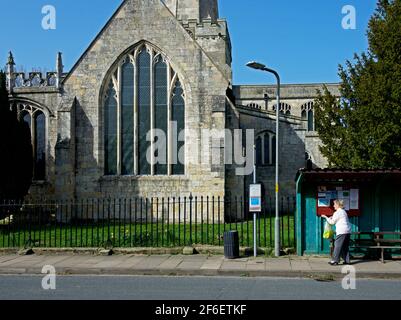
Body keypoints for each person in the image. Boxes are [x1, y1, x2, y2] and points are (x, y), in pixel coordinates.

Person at [322, 199, 352, 266]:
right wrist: (331, 217)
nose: (333, 206)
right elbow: (339, 219)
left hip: (342, 231)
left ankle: (335, 261)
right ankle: (347, 261)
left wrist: (325, 217)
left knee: (337, 246)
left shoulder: (337, 212)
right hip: (347, 231)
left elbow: (332, 222)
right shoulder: (343, 211)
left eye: (334, 204)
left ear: (338, 205)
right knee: (345, 247)